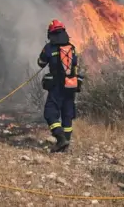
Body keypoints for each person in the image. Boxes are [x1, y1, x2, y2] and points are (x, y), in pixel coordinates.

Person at [37, 19, 83, 153]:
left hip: (57, 86)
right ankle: (65, 144)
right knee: (67, 114)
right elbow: (74, 64)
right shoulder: (71, 48)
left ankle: (60, 138)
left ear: (51, 34)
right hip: (71, 86)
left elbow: (41, 63)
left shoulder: (49, 48)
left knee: (50, 112)